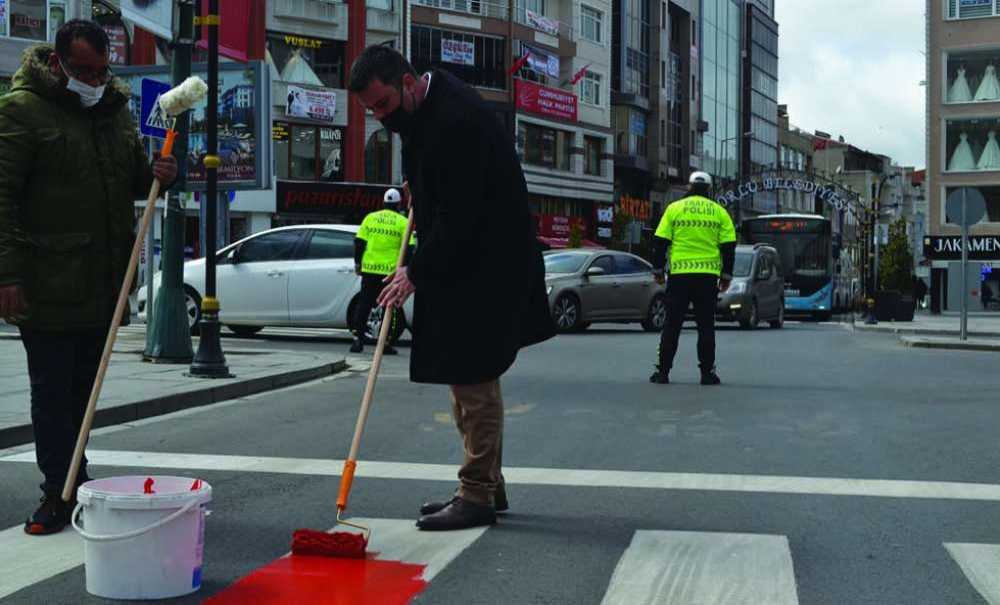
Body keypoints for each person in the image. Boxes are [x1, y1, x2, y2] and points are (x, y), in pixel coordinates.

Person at [348, 45, 555, 531]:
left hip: (486, 265)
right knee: (469, 377)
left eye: (383, 104)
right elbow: (441, 192)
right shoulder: (428, 114)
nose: (381, 117)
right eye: (370, 110)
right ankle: (486, 481)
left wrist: (414, 273)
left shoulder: (454, 122)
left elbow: (459, 216)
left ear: (408, 83)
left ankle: (477, 492)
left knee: (473, 379)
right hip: (470, 261)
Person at [0, 20, 178, 535]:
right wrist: (7, 273)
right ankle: (56, 491)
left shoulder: (114, 113)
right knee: (52, 391)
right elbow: (2, 198)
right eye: (83, 70)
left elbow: (134, 178)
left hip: (102, 282)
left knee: (84, 390)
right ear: (57, 64)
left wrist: (163, 172)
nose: (94, 80)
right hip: (47, 281)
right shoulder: (20, 112)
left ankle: (75, 478)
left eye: (102, 71)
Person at [649, 171, 736, 386]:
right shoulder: (719, 212)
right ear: (709, 189)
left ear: (689, 187)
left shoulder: (674, 209)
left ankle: (663, 372)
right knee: (706, 325)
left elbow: (660, 242)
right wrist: (726, 276)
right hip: (707, 278)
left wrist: (658, 271)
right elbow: (729, 247)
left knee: (672, 324)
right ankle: (707, 373)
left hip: (679, 276)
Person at [350, 187, 412, 355]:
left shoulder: (370, 218)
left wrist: (358, 263)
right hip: (390, 273)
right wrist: (405, 268)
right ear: (399, 204)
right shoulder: (403, 222)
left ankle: (358, 339)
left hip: (370, 269)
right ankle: (384, 342)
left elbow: (359, 242)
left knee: (364, 304)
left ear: (383, 202)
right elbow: (410, 248)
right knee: (389, 306)